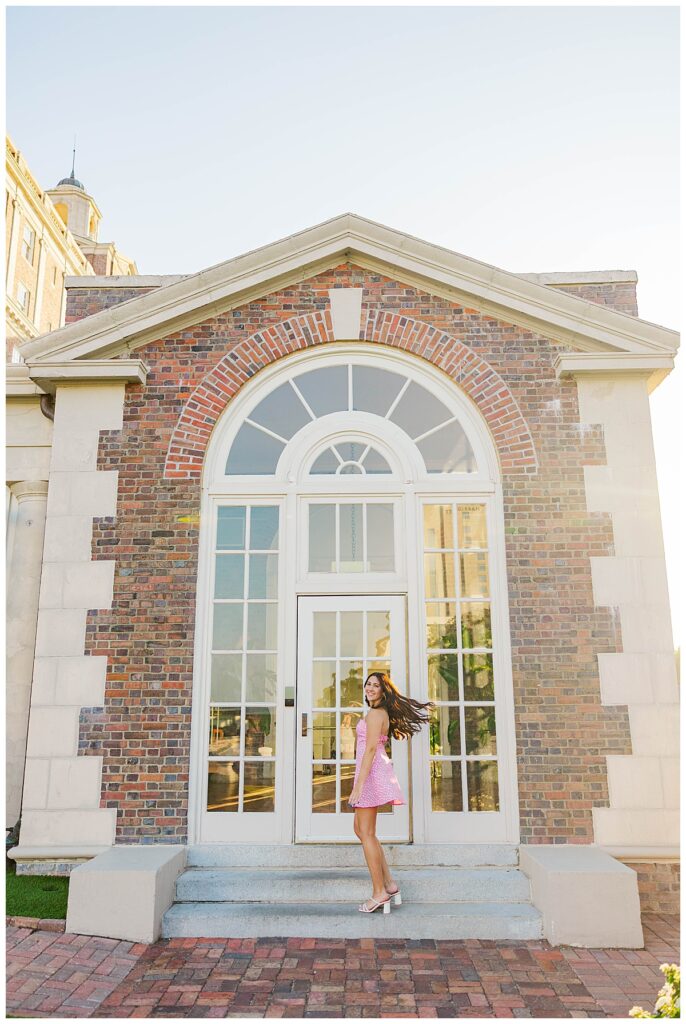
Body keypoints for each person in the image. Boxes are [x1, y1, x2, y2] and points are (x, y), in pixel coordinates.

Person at [348, 671, 433, 914]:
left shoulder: (376, 714)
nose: (371, 688)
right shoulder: (376, 712)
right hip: (371, 772)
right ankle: (389, 884)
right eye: (368, 684)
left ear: (384, 691)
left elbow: (371, 749)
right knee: (363, 831)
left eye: (376, 686)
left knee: (366, 832)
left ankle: (379, 893)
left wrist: (359, 785)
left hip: (371, 774)